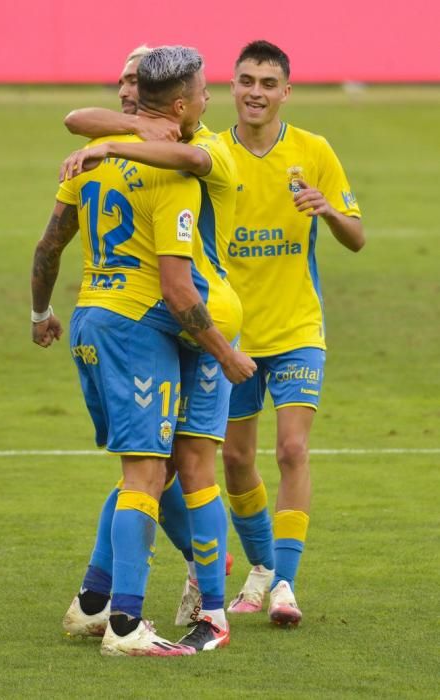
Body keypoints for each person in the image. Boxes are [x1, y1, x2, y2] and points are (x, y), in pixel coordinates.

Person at [31, 45, 255, 657]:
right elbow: (78, 119)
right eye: (124, 82)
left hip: (155, 324)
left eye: (137, 84)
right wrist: (127, 129)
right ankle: (165, 615)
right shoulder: (139, 150)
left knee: (155, 469)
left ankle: (105, 602)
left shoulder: (208, 152)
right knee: (158, 470)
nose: (127, 94)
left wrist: (113, 144)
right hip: (172, 323)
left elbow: (179, 151)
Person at [219, 40, 365, 625]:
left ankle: (283, 585)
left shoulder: (314, 151)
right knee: (234, 459)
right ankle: (260, 566)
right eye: (246, 80)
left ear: (286, 91)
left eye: (267, 82)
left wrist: (327, 209)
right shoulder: (212, 155)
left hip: (298, 326)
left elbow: (356, 237)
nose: (256, 91)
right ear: (231, 86)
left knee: (291, 449)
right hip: (232, 335)